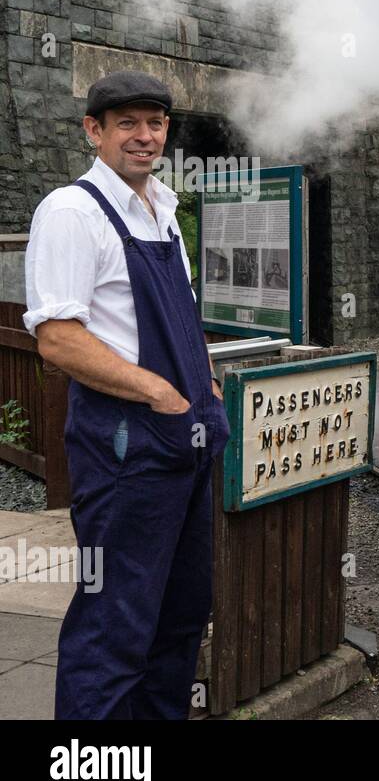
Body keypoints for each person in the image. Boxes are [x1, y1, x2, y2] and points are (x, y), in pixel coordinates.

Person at [24, 71, 231, 719]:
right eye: (127, 123)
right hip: (124, 456)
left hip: (186, 452)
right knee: (112, 629)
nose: (145, 136)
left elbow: (179, 317)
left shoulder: (164, 212)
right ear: (94, 130)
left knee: (179, 620)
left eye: (156, 123)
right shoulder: (72, 212)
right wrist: (158, 391)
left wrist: (207, 385)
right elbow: (58, 338)